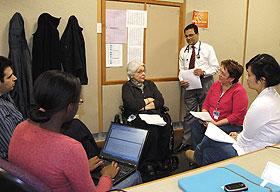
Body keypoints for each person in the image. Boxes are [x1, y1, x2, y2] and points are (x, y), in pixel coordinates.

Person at [9, 70, 141, 192]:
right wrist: (106, 176)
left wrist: (81, 168)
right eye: (79, 101)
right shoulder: (70, 148)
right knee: (135, 175)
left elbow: (46, 167)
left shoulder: (20, 128)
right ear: (70, 107)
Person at [186, 54, 280, 166]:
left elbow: (244, 137)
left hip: (251, 152)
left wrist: (236, 136)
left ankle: (197, 157)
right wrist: (238, 135)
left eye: (249, 75)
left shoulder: (261, 105)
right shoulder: (273, 97)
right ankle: (200, 160)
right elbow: (253, 132)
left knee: (210, 137)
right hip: (256, 144)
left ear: (261, 80)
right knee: (208, 151)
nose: (246, 78)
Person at [175, 23, 220, 153]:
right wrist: (182, 80)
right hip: (190, 86)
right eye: (186, 36)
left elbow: (215, 67)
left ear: (197, 34)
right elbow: (181, 69)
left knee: (206, 114)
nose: (189, 38)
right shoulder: (183, 51)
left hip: (205, 83)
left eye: (191, 35)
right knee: (189, 115)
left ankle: (204, 144)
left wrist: (203, 72)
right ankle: (186, 142)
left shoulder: (207, 48)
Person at [122, 61, 172, 175]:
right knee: (152, 130)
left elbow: (160, 100)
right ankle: (148, 162)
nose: (143, 74)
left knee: (165, 126)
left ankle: (162, 160)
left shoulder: (150, 84)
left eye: (143, 71)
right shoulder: (127, 87)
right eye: (139, 72)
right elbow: (131, 104)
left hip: (154, 114)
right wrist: (148, 100)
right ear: (131, 74)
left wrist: (143, 106)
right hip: (136, 116)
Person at [191, 59, 248, 150]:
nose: (219, 75)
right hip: (212, 120)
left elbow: (236, 116)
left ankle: (199, 155)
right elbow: (206, 104)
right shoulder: (216, 84)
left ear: (232, 79)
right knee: (195, 125)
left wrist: (217, 124)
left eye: (223, 74)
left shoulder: (239, 91)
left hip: (229, 124)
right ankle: (196, 152)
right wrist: (204, 117)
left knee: (213, 132)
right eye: (220, 71)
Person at [0, 56, 24, 160]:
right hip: (13, 162)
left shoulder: (6, 95)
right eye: (9, 77)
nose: (15, 78)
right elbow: (14, 148)